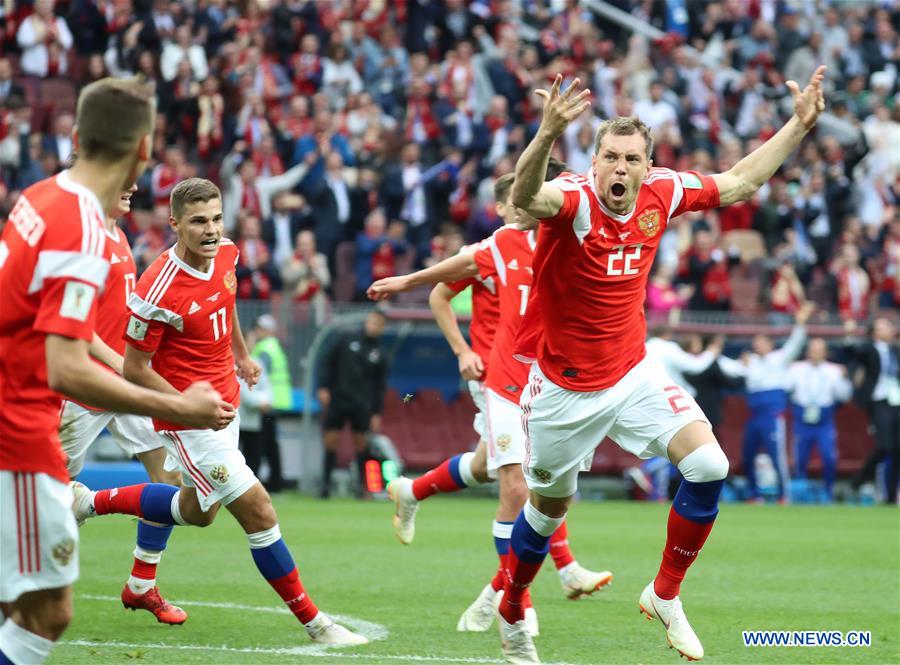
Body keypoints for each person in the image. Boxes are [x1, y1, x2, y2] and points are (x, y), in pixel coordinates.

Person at [404, 65, 824, 663]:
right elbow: (524, 197)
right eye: (609, 157)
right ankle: (514, 603)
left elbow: (736, 184)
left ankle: (665, 594)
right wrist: (546, 132)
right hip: (561, 391)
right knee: (546, 513)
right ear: (593, 161)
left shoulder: (664, 193)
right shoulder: (571, 200)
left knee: (709, 462)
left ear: (647, 166)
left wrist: (798, 126)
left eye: (631, 159)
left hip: (632, 372)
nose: (619, 169)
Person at [71, 178, 366, 646]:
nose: (211, 230)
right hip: (189, 421)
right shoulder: (157, 287)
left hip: (223, 405)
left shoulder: (227, 253)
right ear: (175, 225)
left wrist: (243, 356)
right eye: (198, 222)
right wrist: (188, 407)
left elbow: (225, 311)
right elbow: (134, 368)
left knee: (197, 510)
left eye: (216, 219)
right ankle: (317, 624)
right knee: (259, 509)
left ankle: (89, 503)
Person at [0, 78, 230, 665]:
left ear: (78, 136)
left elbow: (66, 337)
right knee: (45, 611)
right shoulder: (80, 228)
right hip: (20, 430)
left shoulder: (40, 198)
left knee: (23, 604)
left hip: (25, 415)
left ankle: (143, 579)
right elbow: (65, 365)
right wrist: (181, 405)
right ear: (145, 151)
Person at [380, 167, 611, 638]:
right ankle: (530, 593)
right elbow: (441, 291)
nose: (527, 207)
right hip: (497, 376)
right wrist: (459, 345)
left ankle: (413, 494)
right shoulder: (497, 245)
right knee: (519, 488)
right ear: (505, 207)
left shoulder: (569, 240)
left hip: (550, 382)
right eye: (518, 200)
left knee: (502, 472)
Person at [57, 182, 188, 625]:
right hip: (86, 387)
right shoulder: (86, 241)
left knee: (168, 478)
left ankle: (141, 584)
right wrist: (124, 364)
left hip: (123, 386)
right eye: (123, 177)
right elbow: (77, 326)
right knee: (48, 497)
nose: (133, 185)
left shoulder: (118, 234)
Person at [740, 302, 814, 504]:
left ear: (770, 344)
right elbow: (733, 370)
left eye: (761, 342)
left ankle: (784, 494)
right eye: (755, 342)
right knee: (748, 454)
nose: (757, 346)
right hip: (754, 414)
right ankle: (754, 494)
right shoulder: (751, 362)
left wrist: (800, 324)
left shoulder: (779, 358)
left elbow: (796, 342)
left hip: (772, 415)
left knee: (777, 456)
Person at [317, 309, 388, 499]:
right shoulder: (346, 339)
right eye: (372, 321)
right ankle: (325, 486)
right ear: (367, 321)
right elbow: (326, 361)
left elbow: (380, 386)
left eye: (378, 324)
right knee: (331, 441)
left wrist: (377, 412)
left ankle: (360, 486)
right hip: (338, 399)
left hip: (362, 405)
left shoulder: (380, 353)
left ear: (382, 327)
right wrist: (323, 386)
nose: (373, 325)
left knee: (361, 444)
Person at [788, 337, 852, 501]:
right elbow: (785, 387)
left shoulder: (834, 370)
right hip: (802, 416)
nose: (815, 353)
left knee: (828, 456)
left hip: (824, 418)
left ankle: (828, 491)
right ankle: (800, 492)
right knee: (800, 457)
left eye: (819, 349)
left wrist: (845, 379)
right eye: (812, 349)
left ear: (825, 352)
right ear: (807, 351)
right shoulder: (796, 368)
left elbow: (844, 396)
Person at [846, 317, 900, 503]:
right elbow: (853, 352)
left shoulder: (896, 350)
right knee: (884, 445)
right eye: (884, 327)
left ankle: (891, 495)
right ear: (875, 332)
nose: (889, 329)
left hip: (896, 401)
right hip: (878, 400)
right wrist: (850, 335)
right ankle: (859, 479)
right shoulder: (868, 349)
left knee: (898, 449)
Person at [249, 314, 291, 491]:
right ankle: (276, 481)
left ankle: (272, 482)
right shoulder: (274, 346)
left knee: (263, 444)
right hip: (277, 400)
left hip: (268, 402)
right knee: (271, 444)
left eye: (259, 328)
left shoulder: (264, 348)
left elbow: (259, 374)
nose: (256, 331)